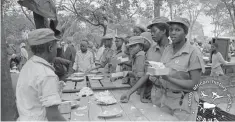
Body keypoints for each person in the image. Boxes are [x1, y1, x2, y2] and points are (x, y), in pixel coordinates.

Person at [156, 17, 205, 121]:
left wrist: (168, 78)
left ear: (185, 33)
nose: (173, 33)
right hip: (166, 98)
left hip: (184, 102)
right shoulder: (168, 49)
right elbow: (165, 70)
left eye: (178, 30)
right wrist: (156, 71)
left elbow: (194, 85)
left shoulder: (193, 52)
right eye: (171, 29)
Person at [16, 28, 66, 121]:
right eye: (56, 46)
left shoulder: (27, 66)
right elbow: (54, 117)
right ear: (50, 48)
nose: (57, 49)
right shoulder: (47, 74)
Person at [120, 17, 170, 104]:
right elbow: (146, 74)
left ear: (164, 31)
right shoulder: (151, 51)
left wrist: (159, 70)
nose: (152, 34)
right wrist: (129, 93)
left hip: (171, 94)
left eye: (154, 31)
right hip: (155, 93)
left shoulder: (175, 50)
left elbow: (176, 74)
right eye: (151, 32)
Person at [124, 36, 149, 102]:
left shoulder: (140, 56)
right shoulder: (135, 56)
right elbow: (136, 73)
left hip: (144, 93)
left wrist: (142, 97)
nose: (131, 48)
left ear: (141, 47)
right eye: (130, 46)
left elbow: (142, 78)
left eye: (134, 46)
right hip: (139, 91)